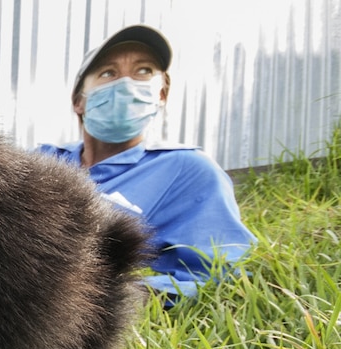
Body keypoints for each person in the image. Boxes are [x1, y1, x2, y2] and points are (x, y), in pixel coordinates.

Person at [37, 25, 256, 301]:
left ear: (161, 94)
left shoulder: (187, 170)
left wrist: (116, 296)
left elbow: (217, 274)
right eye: (108, 73)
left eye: (144, 71)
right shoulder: (44, 157)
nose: (126, 85)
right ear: (79, 101)